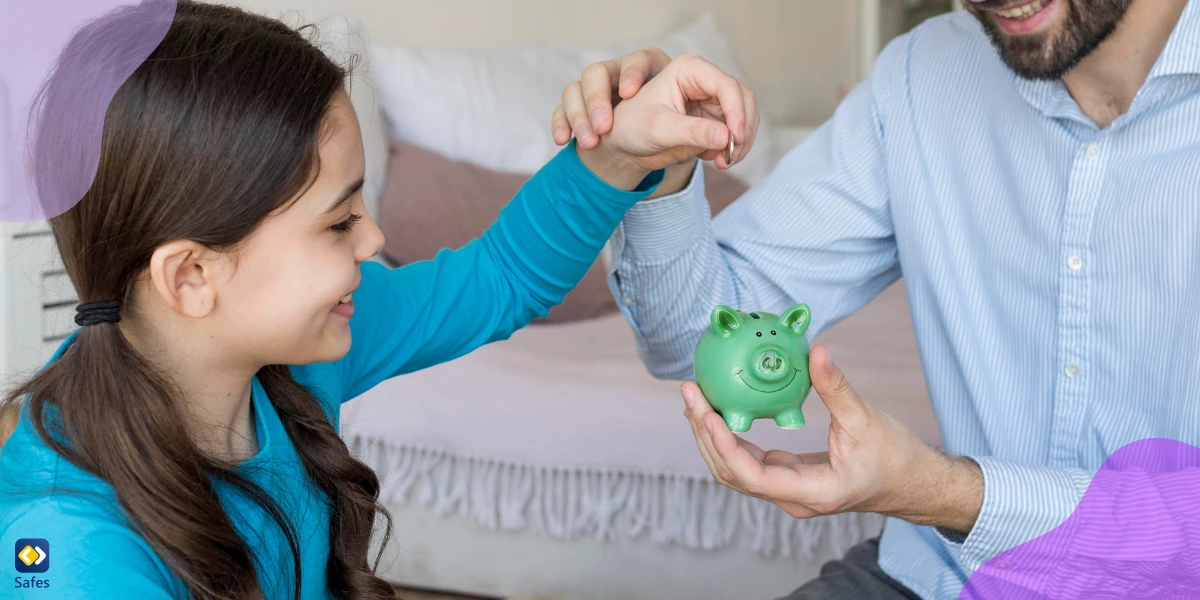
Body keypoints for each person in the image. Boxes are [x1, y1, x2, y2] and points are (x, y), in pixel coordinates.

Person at [0, 1, 759, 598]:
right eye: (338, 221)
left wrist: (616, 152)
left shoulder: (287, 360)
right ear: (191, 277)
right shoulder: (66, 544)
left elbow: (499, 279)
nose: (373, 238)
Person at [552, 0, 1200, 598]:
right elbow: (694, 338)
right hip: (946, 576)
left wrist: (941, 492)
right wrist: (660, 164)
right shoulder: (922, 75)